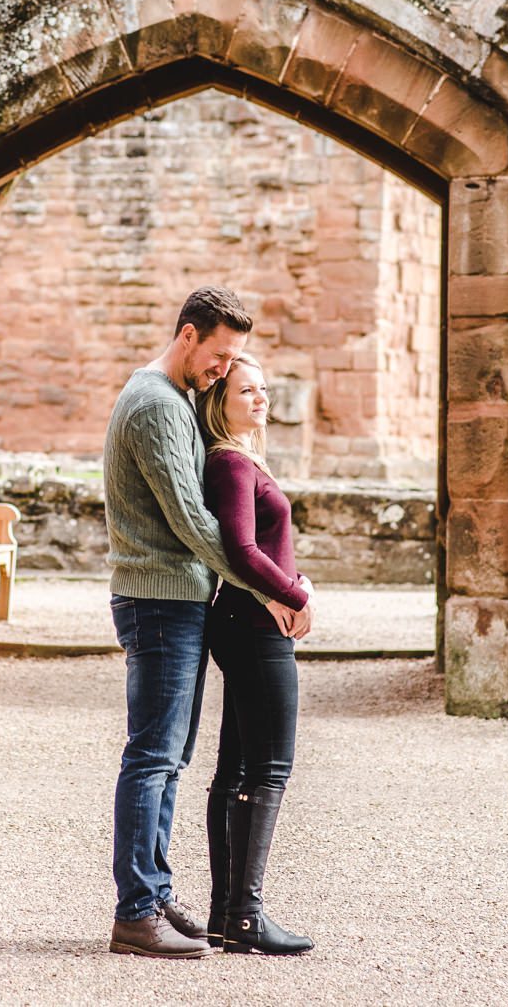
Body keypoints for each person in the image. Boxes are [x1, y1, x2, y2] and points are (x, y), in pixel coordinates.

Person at [103, 287, 283, 959]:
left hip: (174, 600)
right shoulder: (154, 403)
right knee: (152, 756)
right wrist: (267, 583)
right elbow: (190, 520)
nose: (222, 369)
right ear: (187, 336)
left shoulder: (172, 397)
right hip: (158, 602)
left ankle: (151, 891)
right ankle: (135, 911)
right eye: (219, 355)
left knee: (170, 757)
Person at [198, 354, 316, 955]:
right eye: (247, 390)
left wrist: (294, 587)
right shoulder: (231, 463)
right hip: (253, 626)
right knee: (269, 766)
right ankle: (244, 915)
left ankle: (227, 916)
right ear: (220, 401)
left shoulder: (240, 459)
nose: (261, 398)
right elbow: (241, 550)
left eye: (264, 389)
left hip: (247, 622)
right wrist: (297, 594)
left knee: (238, 768)